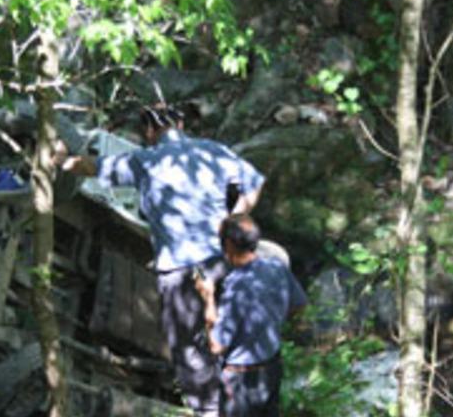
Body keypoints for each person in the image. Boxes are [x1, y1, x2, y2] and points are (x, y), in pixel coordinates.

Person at [60, 104, 265, 416]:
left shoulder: (146, 160)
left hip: (181, 268)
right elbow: (255, 183)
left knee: (190, 353)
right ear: (180, 125)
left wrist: (59, 159)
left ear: (149, 132)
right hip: (224, 260)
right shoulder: (214, 151)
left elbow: (92, 167)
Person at [195, 214, 307, 417]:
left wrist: (208, 298)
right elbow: (299, 304)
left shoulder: (236, 286)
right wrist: (270, 322)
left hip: (240, 379)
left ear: (228, 244)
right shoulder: (277, 268)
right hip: (271, 367)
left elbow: (216, 346)